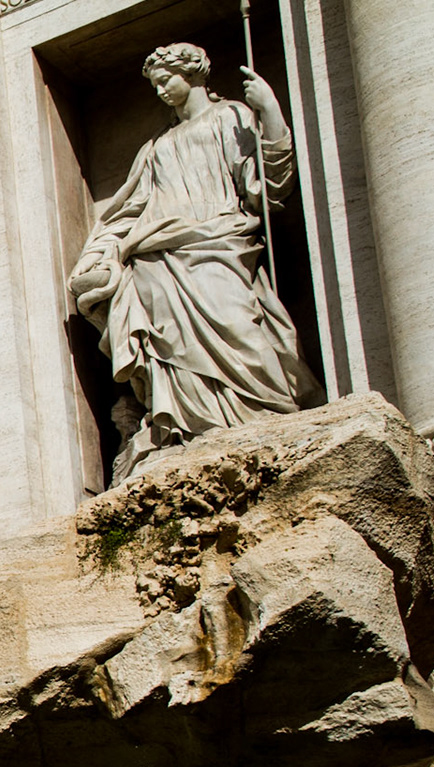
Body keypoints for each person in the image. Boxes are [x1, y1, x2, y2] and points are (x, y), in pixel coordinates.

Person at [69, 42, 320, 480]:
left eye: (167, 79)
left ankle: (264, 412)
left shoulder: (232, 117)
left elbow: (268, 187)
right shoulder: (156, 146)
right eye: (155, 84)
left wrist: (271, 112)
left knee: (238, 324)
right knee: (167, 336)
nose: (161, 89)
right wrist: (100, 255)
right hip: (156, 256)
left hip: (219, 241)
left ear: (194, 74)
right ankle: (187, 428)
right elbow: (128, 211)